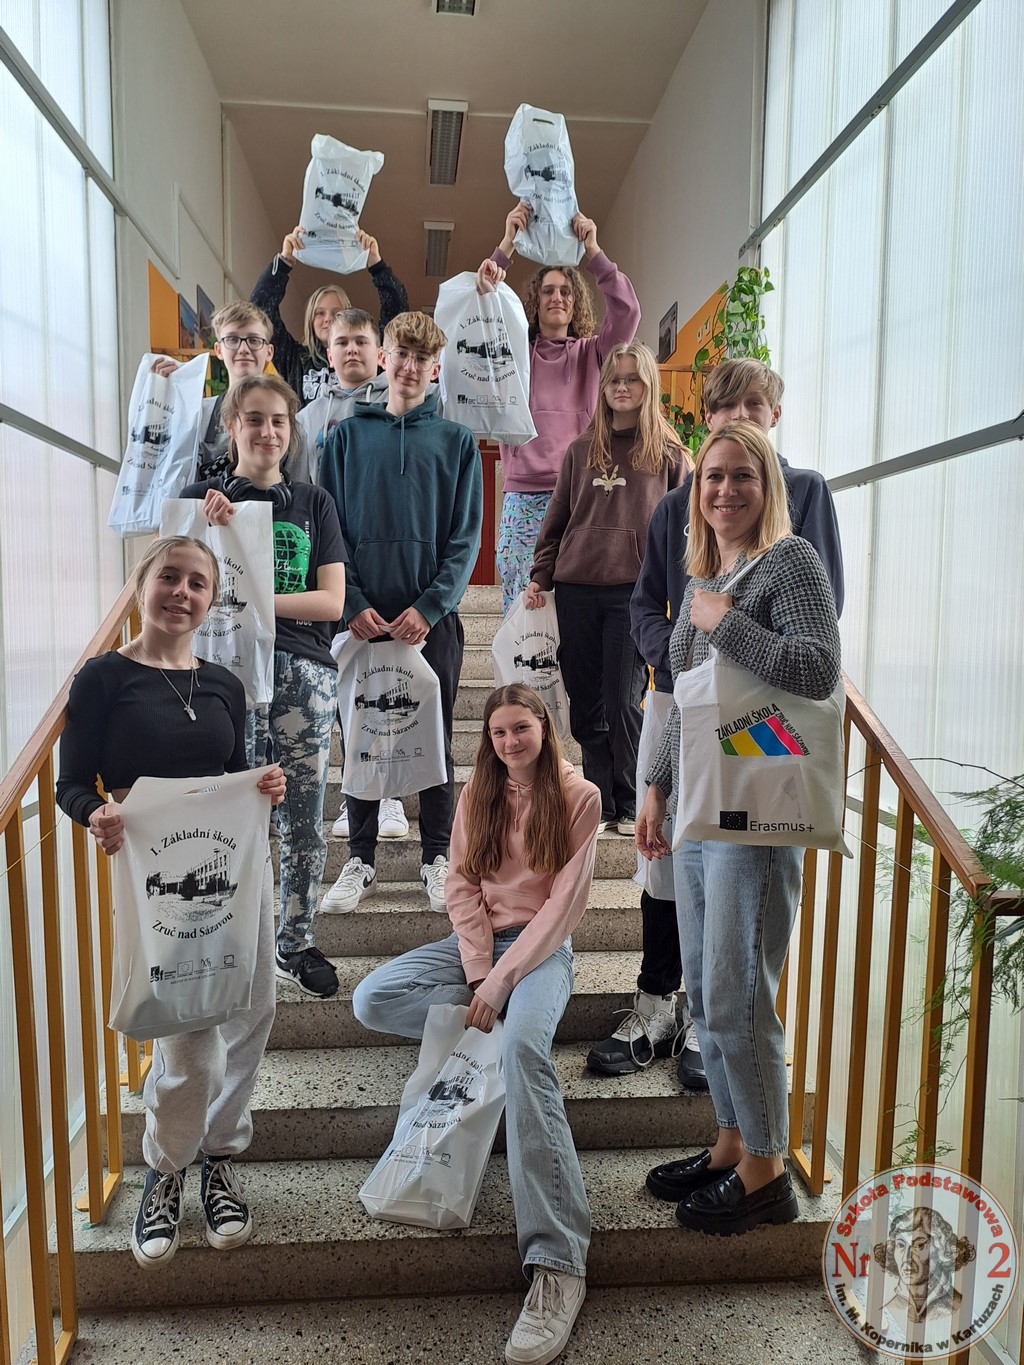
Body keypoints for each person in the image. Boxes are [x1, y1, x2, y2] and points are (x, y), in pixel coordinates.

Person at [588, 357, 845, 1084]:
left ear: (774, 416)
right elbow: (648, 604)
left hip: (762, 717)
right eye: (723, 410)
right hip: (682, 703)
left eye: (752, 406)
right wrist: (676, 662)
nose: (737, 420)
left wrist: (726, 639)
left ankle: (721, 1030)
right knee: (668, 863)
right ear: (704, 423)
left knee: (744, 880)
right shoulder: (678, 503)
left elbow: (818, 620)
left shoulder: (804, 496)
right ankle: (660, 1001)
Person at [55, 536, 286, 1269]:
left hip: (238, 865)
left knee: (253, 1008)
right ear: (142, 583)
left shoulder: (224, 683)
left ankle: (220, 1155)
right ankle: (165, 1165)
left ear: (211, 599)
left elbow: (231, 769)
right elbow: (71, 783)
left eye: (197, 583)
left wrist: (264, 784)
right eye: (169, 577)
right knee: (187, 1028)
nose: (182, 592)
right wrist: (96, 813)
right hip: (162, 874)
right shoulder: (102, 678)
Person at [353, 684, 599, 1364]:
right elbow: (461, 885)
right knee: (372, 998)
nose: (510, 741)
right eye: (498, 732)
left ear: (544, 726)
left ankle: (558, 1262)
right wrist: (476, 972)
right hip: (479, 945)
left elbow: (560, 911)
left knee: (523, 1054)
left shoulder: (580, 797)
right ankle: (497, 1020)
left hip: (543, 951)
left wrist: (503, 980)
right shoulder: (478, 792)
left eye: (521, 727)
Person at [636, 419, 842, 1235]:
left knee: (738, 994)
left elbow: (818, 668)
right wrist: (654, 786)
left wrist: (728, 623)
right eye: (712, 477)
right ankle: (729, 1139)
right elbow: (686, 697)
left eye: (742, 476)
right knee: (705, 984)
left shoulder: (791, 561)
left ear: (769, 486)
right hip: (699, 805)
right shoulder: (705, 573)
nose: (724, 490)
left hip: (757, 812)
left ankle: (766, 1169)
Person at [181, 374, 348, 1000]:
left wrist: (252, 598)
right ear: (232, 426)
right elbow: (173, 591)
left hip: (303, 671)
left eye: (279, 420)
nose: (268, 431)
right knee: (229, 812)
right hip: (222, 677)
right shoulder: (199, 501)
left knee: (303, 817)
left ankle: (295, 942)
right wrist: (208, 529)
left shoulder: (313, 502)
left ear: (291, 430)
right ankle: (228, 939)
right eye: (254, 419)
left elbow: (331, 602)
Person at [318, 311, 483, 913]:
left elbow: (464, 540)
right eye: (401, 354)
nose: (410, 367)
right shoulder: (343, 439)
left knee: (434, 736)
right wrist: (352, 603)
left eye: (422, 358)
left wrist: (431, 607)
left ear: (436, 369)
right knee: (362, 732)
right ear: (383, 359)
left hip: (429, 620)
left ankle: (437, 857)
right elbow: (329, 530)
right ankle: (359, 860)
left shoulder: (458, 443)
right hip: (362, 618)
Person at [525, 341, 688, 836]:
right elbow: (556, 521)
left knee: (623, 700)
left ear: (648, 386)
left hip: (633, 595)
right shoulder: (580, 451)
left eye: (632, 378)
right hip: (576, 587)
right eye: (614, 379)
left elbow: (688, 532)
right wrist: (540, 575)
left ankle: (631, 795)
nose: (622, 386)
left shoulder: (670, 456)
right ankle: (601, 797)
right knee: (585, 703)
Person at [291, 305, 420, 844]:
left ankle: (391, 795)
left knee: (393, 688)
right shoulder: (307, 420)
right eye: (341, 341)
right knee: (352, 691)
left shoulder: (399, 408)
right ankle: (357, 791)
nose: (351, 350)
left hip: (388, 568)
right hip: (331, 571)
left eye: (361, 341)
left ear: (379, 353)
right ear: (328, 351)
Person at [476, 202, 641, 612]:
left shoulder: (594, 353)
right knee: (522, 607)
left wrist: (593, 251)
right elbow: (482, 312)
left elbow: (627, 312)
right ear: (535, 301)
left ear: (576, 301)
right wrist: (506, 245)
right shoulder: (515, 354)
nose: (557, 297)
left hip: (581, 490)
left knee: (572, 605)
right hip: (523, 493)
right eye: (548, 290)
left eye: (565, 291)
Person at [250, 226, 408, 406]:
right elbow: (258, 313)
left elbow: (398, 319)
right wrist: (283, 262)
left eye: (336, 313)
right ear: (310, 320)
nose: (328, 319)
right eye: (320, 313)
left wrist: (377, 266)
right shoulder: (294, 359)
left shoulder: (367, 354)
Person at [152, 300, 276, 481]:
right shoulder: (196, 415)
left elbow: (298, 491)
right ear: (218, 350)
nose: (243, 349)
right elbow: (175, 475)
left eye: (254, 340)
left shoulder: (286, 422)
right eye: (232, 339)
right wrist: (159, 401)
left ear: (269, 352)